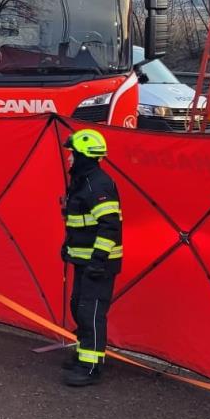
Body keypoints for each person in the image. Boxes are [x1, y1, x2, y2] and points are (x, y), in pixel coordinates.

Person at [60, 128, 122, 387]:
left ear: (84, 156)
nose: (69, 158)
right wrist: (68, 246)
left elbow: (110, 226)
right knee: (79, 307)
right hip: (83, 260)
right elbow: (79, 223)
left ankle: (91, 367)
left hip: (99, 264)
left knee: (91, 313)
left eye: (73, 154)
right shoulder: (82, 182)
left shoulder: (98, 185)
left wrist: (98, 260)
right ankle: (82, 355)